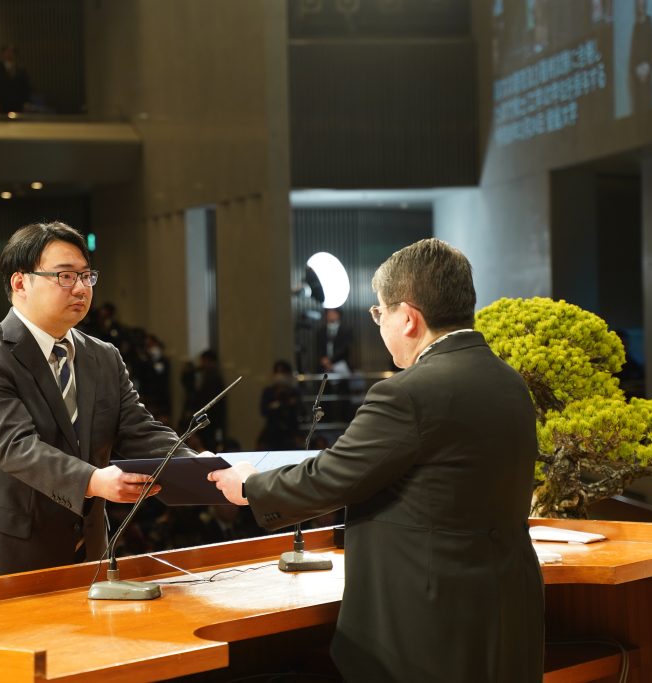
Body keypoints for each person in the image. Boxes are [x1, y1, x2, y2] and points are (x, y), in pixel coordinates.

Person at [209, 238, 544, 682]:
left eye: (379, 312)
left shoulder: (407, 393)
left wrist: (250, 485)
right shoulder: (509, 381)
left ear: (408, 318)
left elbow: (331, 478)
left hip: (427, 622)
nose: (378, 325)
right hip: (507, 607)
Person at [0, 221, 199, 584]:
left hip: (87, 551)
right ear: (19, 282)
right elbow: (16, 448)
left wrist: (204, 471)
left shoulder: (103, 356)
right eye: (65, 276)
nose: (80, 287)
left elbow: (141, 431)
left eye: (87, 276)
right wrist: (93, 480)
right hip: (7, 553)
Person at [628, 0, 652, 113]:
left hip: (647, 77)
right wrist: (637, 70)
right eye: (638, 4)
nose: (640, 5)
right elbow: (633, 55)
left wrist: (647, 67)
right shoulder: (635, 27)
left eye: (642, 3)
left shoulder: (649, 21)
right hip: (637, 79)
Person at [0, 44, 32, 114]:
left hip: (18, 103)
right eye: (7, 51)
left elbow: (26, 87)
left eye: (11, 52)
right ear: (3, 54)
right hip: (2, 103)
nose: (9, 54)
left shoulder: (21, 69)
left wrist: (26, 103)